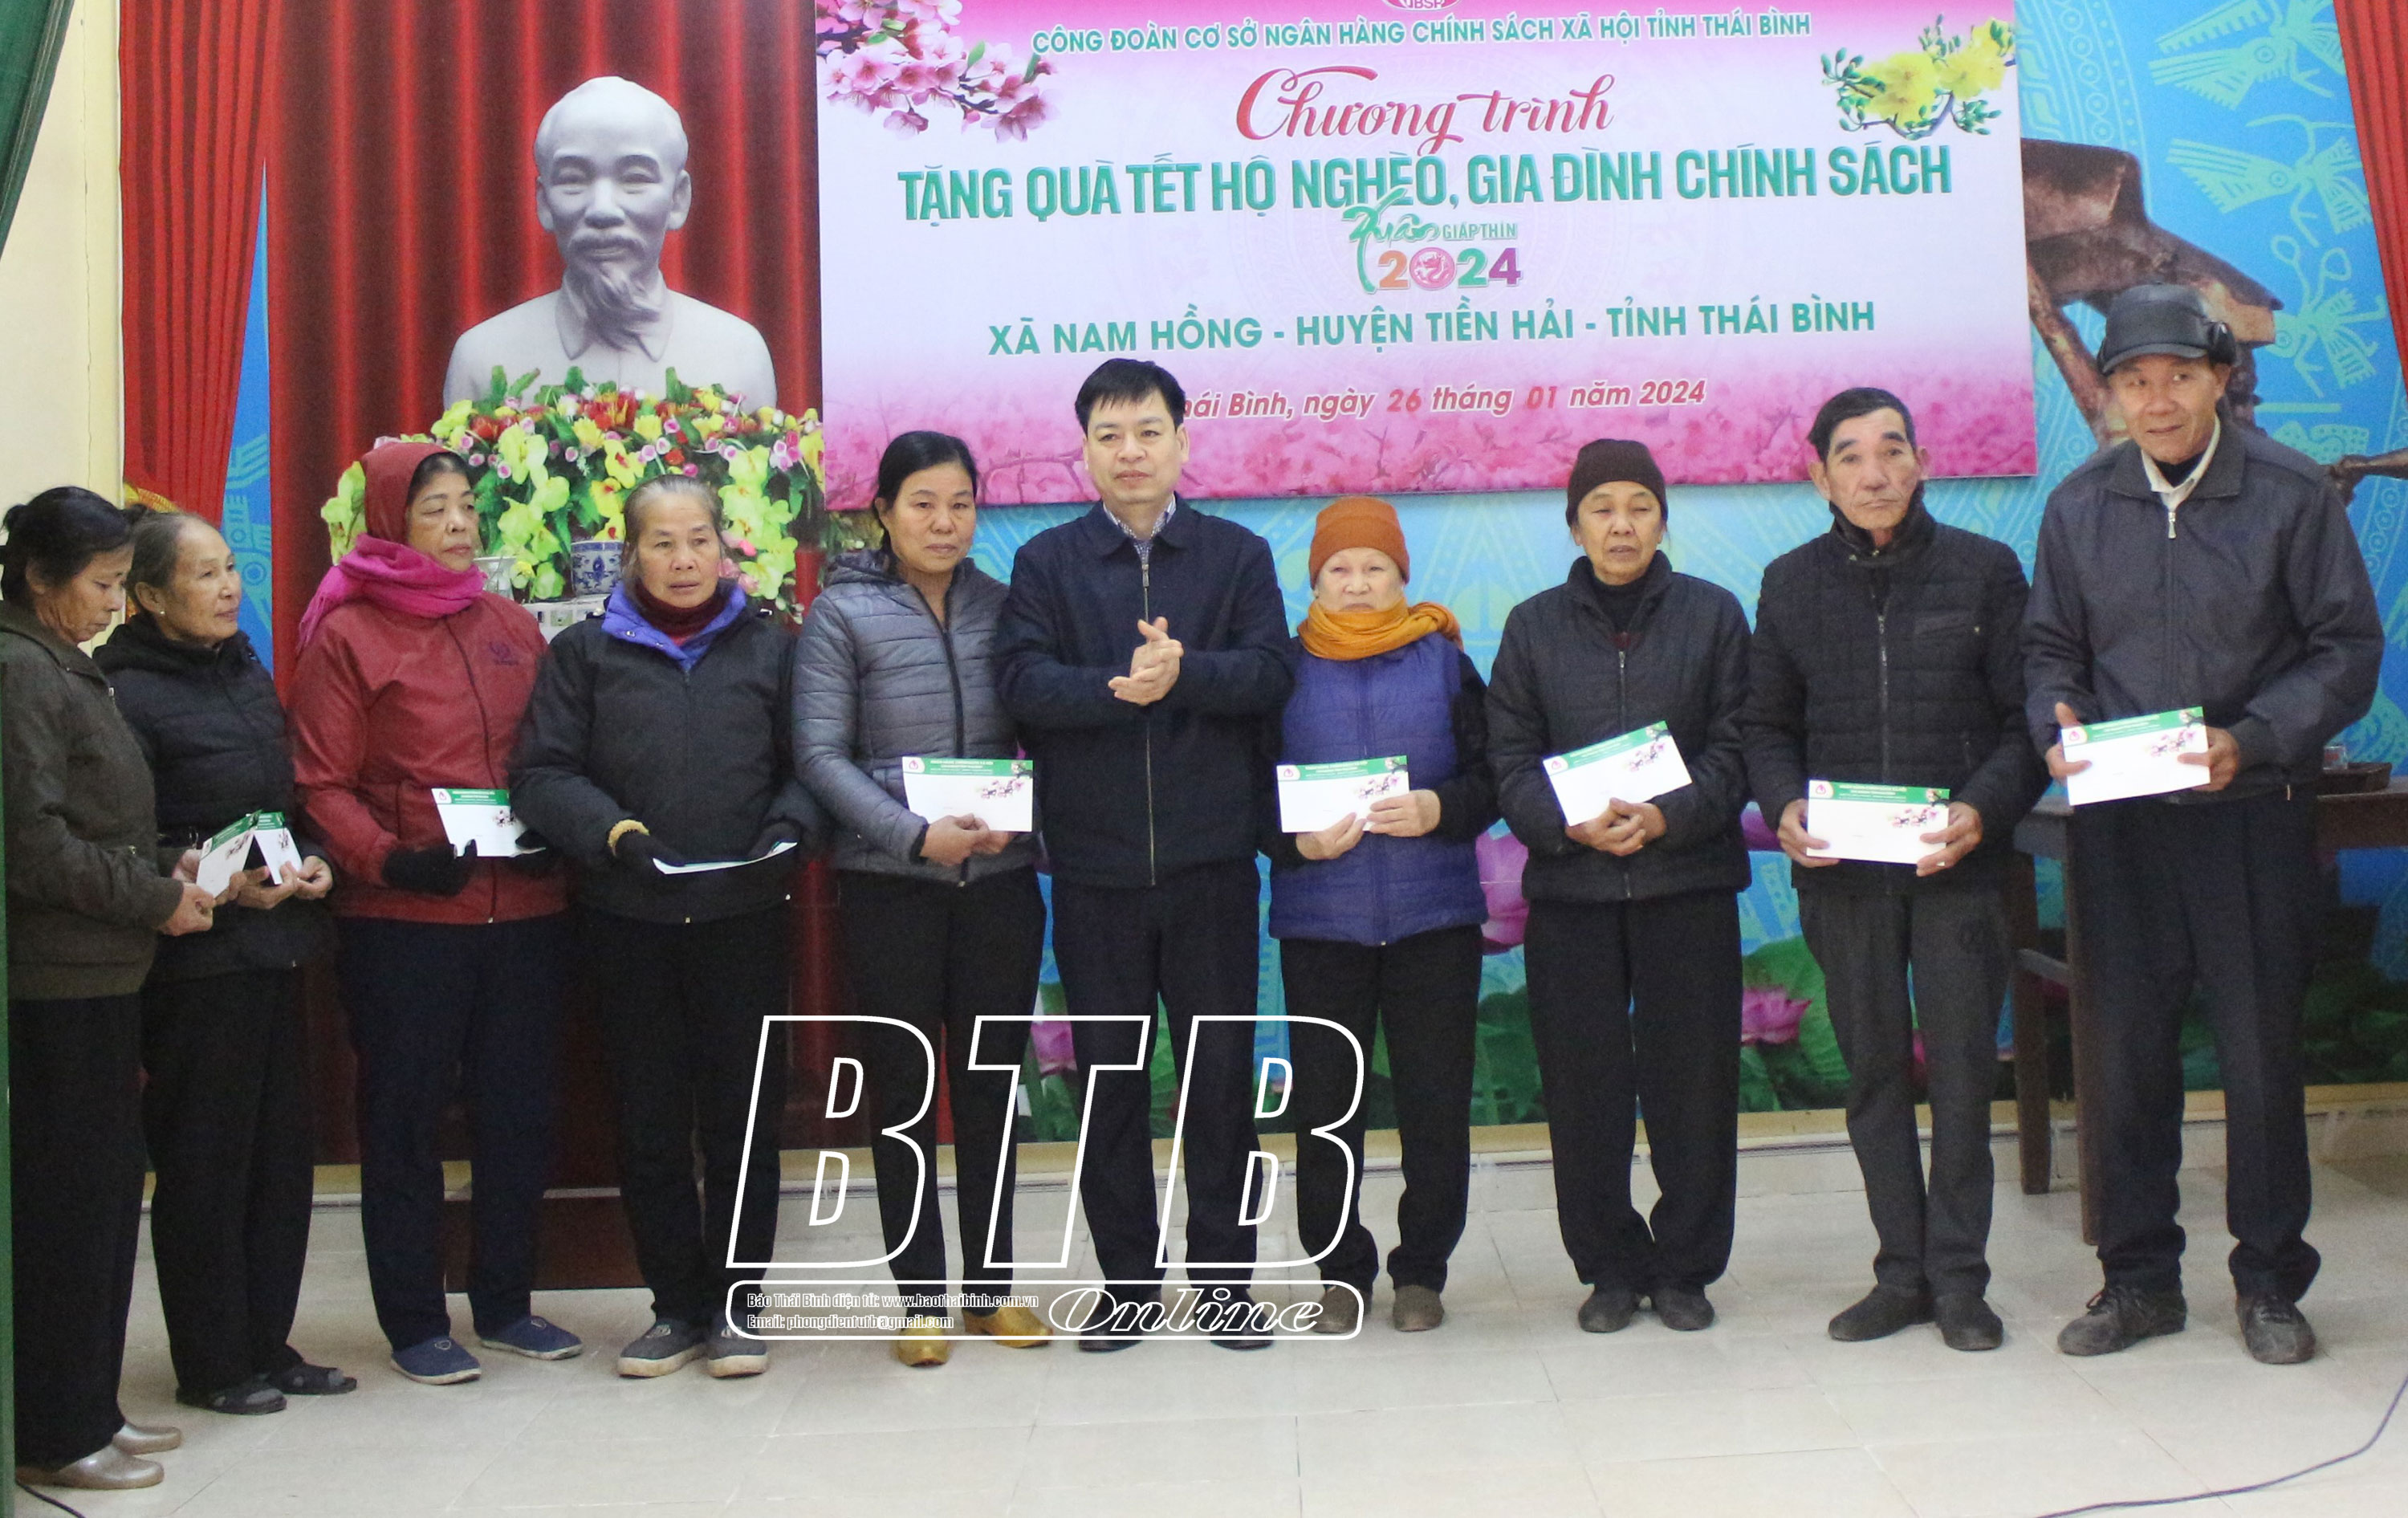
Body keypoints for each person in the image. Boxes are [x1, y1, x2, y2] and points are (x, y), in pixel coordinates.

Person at [2027, 285, 2382, 1365]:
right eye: (2135, 380)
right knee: (2127, 1056)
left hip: (2251, 815)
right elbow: (2050, 650)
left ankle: (2270, 1283)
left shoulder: (2290, 493)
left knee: (2260, 1056)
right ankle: (2138, 1282)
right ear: (2111, 392)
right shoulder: (2079, 505)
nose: (2158, 400)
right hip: (2123, 825)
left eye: (2179, 376)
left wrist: (2255, 737)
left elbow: (2346, 651)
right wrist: (2057, 719)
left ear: (2219, 378)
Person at [995, 358, 1296, 1349]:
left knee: (1220, 1083)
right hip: (1095, 874)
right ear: (1084, 449)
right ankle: (1127, 1283)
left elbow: (1270, 673)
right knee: (1109, 1086)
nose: (1131, 452)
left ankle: (1225, 1285)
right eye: (1110, 435)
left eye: (1149, 431)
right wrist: (1115, 687)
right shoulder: (1045, 563)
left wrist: (1184, 673)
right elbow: (1021, 684)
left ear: (1182, 442)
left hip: (1213, 867)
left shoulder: (1237, 554)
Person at [1743, 388, 2047, 1353]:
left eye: (1892, 451)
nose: (1874, 473)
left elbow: (2026, 725)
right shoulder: (1789, 582)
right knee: (1872, 1072)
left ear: (1922, 461)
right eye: (1851, 456)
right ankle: (1899, 1272)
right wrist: (1783, 804)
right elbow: (1763, 726)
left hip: (1958, 866)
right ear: (1818, 474)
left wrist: (1981, 809)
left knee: (1961, 1073)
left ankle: (1960, 1278)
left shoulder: (1985, 570)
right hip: (1844, 876)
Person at [512, 474, 822, 1379]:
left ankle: (738, 1307)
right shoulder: (584, 654)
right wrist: (613, 833)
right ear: (630, 552)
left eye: (699, 540)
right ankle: (674, 1307)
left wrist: (787, 829)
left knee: (742, 1120)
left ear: (725, 546)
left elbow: (813, 762)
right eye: (662, 542)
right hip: (628, 920)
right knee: (648, 1123)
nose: (684, 560)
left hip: (744, 918)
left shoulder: (773, 647)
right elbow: (541, 773)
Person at [289, 442, 579, 1385]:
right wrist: (393, 860)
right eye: (434, 509)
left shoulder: (509, 622)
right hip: (405, 919)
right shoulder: (349, 633)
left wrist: (557, 829)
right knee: (405, 1121)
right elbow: (320, 784)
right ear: (389, 523)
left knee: (517, 1115)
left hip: (525, 910)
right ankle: (415, 1319)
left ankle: (506, 1303)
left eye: (465, 505)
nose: (458, 524)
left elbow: (551, 752)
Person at [795, 432, 1051, 1366]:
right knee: (904, 1091)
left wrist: (1023, 819)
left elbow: (1044, 733)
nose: (944, 523)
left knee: (991, 1088)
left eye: (960, 504)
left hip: (1000, 888)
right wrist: (912, 833)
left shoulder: (1006, 606)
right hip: (890, 886)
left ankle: (991, 1290)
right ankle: (921, 1301)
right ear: (883, 512)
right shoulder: (841, 613)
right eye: (923, 503)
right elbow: (819, 755)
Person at [1487, 441, 1753, 1334]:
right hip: (1574, 895)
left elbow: (1738, 743)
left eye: (1640, 506)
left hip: (1688, 882)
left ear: (1663, 520)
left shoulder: (1714, 614)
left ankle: (1684, 1268)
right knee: (1584, 1092)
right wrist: (1568, 824)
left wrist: (1668, 817)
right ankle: (1606, 1267)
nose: (1622, 525)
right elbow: (1509, 757)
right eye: (1602, 508)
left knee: (1695, 1087)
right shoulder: (1532, 626)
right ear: (1575, 525)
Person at [98, 512, 352, 1417]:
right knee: (207, 1161)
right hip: (197, 961)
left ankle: (267, 1343)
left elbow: (279, 797)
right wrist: (215, 877)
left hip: (277, 944)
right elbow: (129, 835)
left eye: (231, 567)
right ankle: (212, 1361)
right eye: (203, 575)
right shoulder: (123, 690)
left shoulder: (243, 666)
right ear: (149, 595)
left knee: (280, 1160)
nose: (228, 588)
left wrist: (313, 859)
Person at [3, 488, 218, 1492]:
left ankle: (91, 1403)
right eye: (99, 585)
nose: (110, 604)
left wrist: (167, 866)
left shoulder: (60, 660)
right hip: (56, 980)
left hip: (101, 969)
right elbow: (33, 844)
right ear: (40, 578)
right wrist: (152, 899)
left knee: (102, 1200)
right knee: (66, 1208)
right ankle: (55, 1425)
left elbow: (102, 819)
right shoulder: (19, 669)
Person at [1262, 495, 1495, 1337]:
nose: (1357, 583)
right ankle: (1339, 1271)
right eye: (1340, 568)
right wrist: (1295, 843)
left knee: (1435, 1103)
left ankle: (1422, 1271)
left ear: (1402, 576)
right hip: (1322, 924)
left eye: (1375, 568)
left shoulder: (1448, 665)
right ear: (1314, 581)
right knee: (1327, 1108)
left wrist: (1441, 808)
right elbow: (1246, 793)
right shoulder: (1279, 671)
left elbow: (1493, 776)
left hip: (1436, 919)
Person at [442, 75, 777, 406]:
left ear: (678, 199)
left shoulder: (740, 357)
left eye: (635, 179)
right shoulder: (482, 359)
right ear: (544, 202)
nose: (602, 210)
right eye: (573, 180)